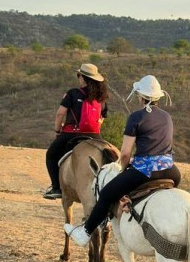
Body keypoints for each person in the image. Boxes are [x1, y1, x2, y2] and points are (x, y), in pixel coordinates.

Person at [64, 74, 180, 247]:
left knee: (106, 194)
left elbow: (125, 153)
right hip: (171, 171)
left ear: (141, 96)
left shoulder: (136, 117)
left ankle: (85, 232)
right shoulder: (166, 117)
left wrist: (122, 169)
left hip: (145, 171)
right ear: (157, 97)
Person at [43, 63, 109, 199]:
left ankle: (56, 188)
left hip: (71, 133)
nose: (78, 78)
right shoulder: (101, 98)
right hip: (95, 135)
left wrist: (58, 130)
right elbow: (101, 119)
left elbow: (60, 114)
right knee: (109, 160)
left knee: (51, 155)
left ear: (83, 78)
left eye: (79, 75)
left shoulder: (73, 93)